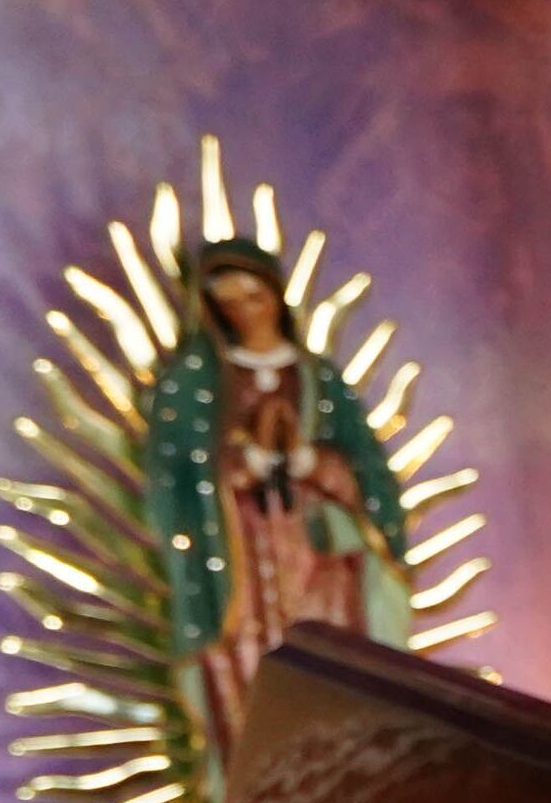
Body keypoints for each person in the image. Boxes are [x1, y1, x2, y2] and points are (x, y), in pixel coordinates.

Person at [140, 238, 408, 751]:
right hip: (241, 558)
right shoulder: (197, 381)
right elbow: (176, 471)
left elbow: (365, 468)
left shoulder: (316, 379)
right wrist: (240, 468)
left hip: (318, 557)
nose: (245, 313)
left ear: (276, 299)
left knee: (332, 670)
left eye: (254, 298)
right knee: (254, 676)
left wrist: (315, 465)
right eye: (229, 303)